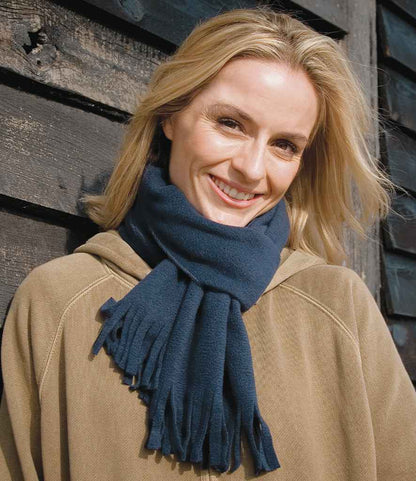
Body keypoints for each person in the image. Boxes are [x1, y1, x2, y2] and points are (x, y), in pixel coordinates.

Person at [1, 6, 415, 481]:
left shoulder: (340, 307)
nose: (252, 169)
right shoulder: (57, 302)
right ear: (170, 116)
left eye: (285, 145)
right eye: (230, 123)